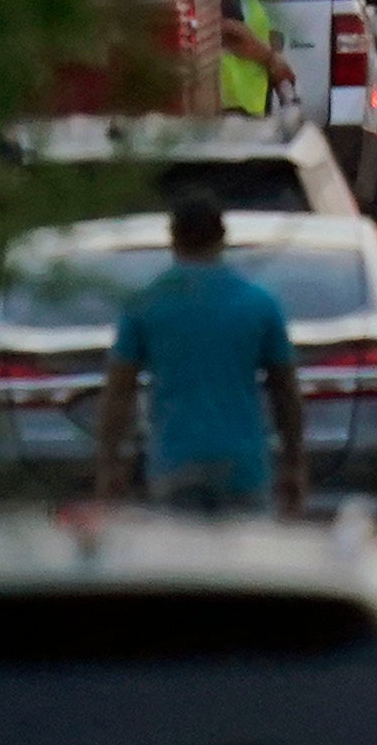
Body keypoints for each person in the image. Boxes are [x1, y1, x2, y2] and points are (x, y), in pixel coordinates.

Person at [92, 196, 305, 517]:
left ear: (174, 239)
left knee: (183, 562)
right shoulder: (258, 304)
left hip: (175, 459)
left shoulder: (146, 303)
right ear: (222, 238)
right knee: (244, 561)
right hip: (243, 463)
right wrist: (294, 462)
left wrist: (110, 464)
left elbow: (119, 391)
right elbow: (285, 391)